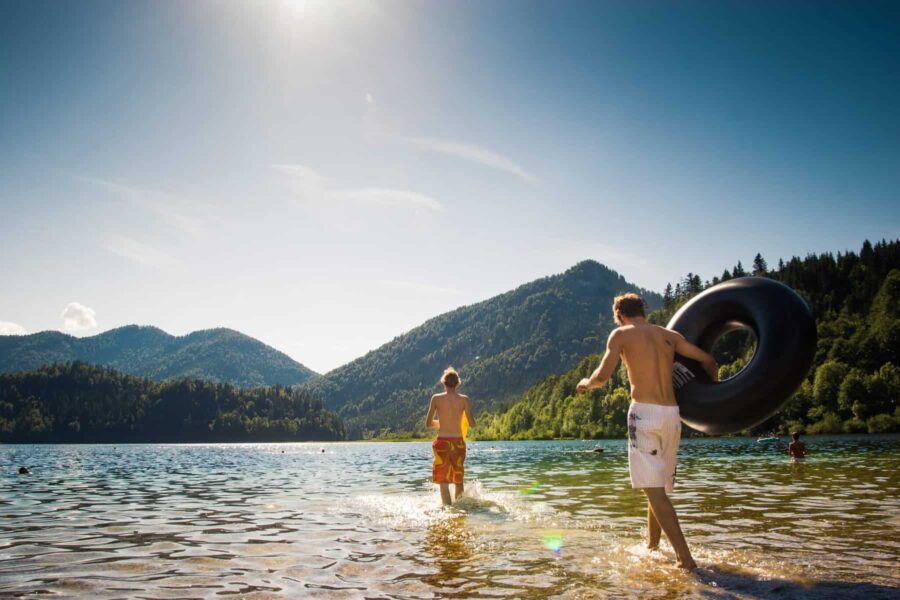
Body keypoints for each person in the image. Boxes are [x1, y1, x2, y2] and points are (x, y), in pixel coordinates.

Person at [576, 293, 718, 570]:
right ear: (643, 310)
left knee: (654, 492)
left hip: (643, 414)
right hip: (672, 416)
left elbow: (602, 377)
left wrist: (585, 383)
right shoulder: (670, 335)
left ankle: (685, 559)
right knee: (658, 489)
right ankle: (652, 547)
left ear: (619, 314)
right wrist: (714, 396)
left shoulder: (620, 335)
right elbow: (710, 362)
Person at [426, 367, 476, 506]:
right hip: (458, 444)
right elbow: (472, 424)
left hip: (442, 444)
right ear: (458, 383)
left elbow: (428, 423)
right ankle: (459, 509)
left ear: (444, 382)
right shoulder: (465, 400)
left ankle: (447, 512)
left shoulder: (436, 398)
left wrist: (442, 422)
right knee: (458, 479)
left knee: (443, 481)